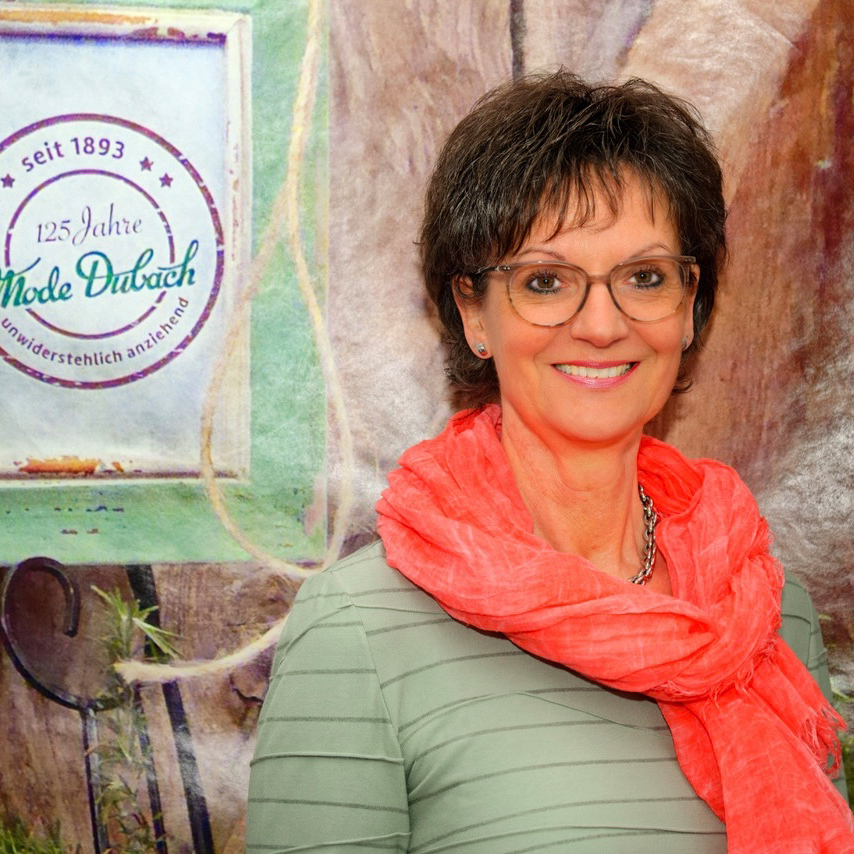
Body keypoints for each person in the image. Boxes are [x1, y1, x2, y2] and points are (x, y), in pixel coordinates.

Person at [247, 71, 853, 852]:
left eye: (644, 277)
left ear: (689, 305)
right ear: (474, 312)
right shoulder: (358, 629)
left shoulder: (767, 615)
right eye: (545, 281)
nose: (600, 324)